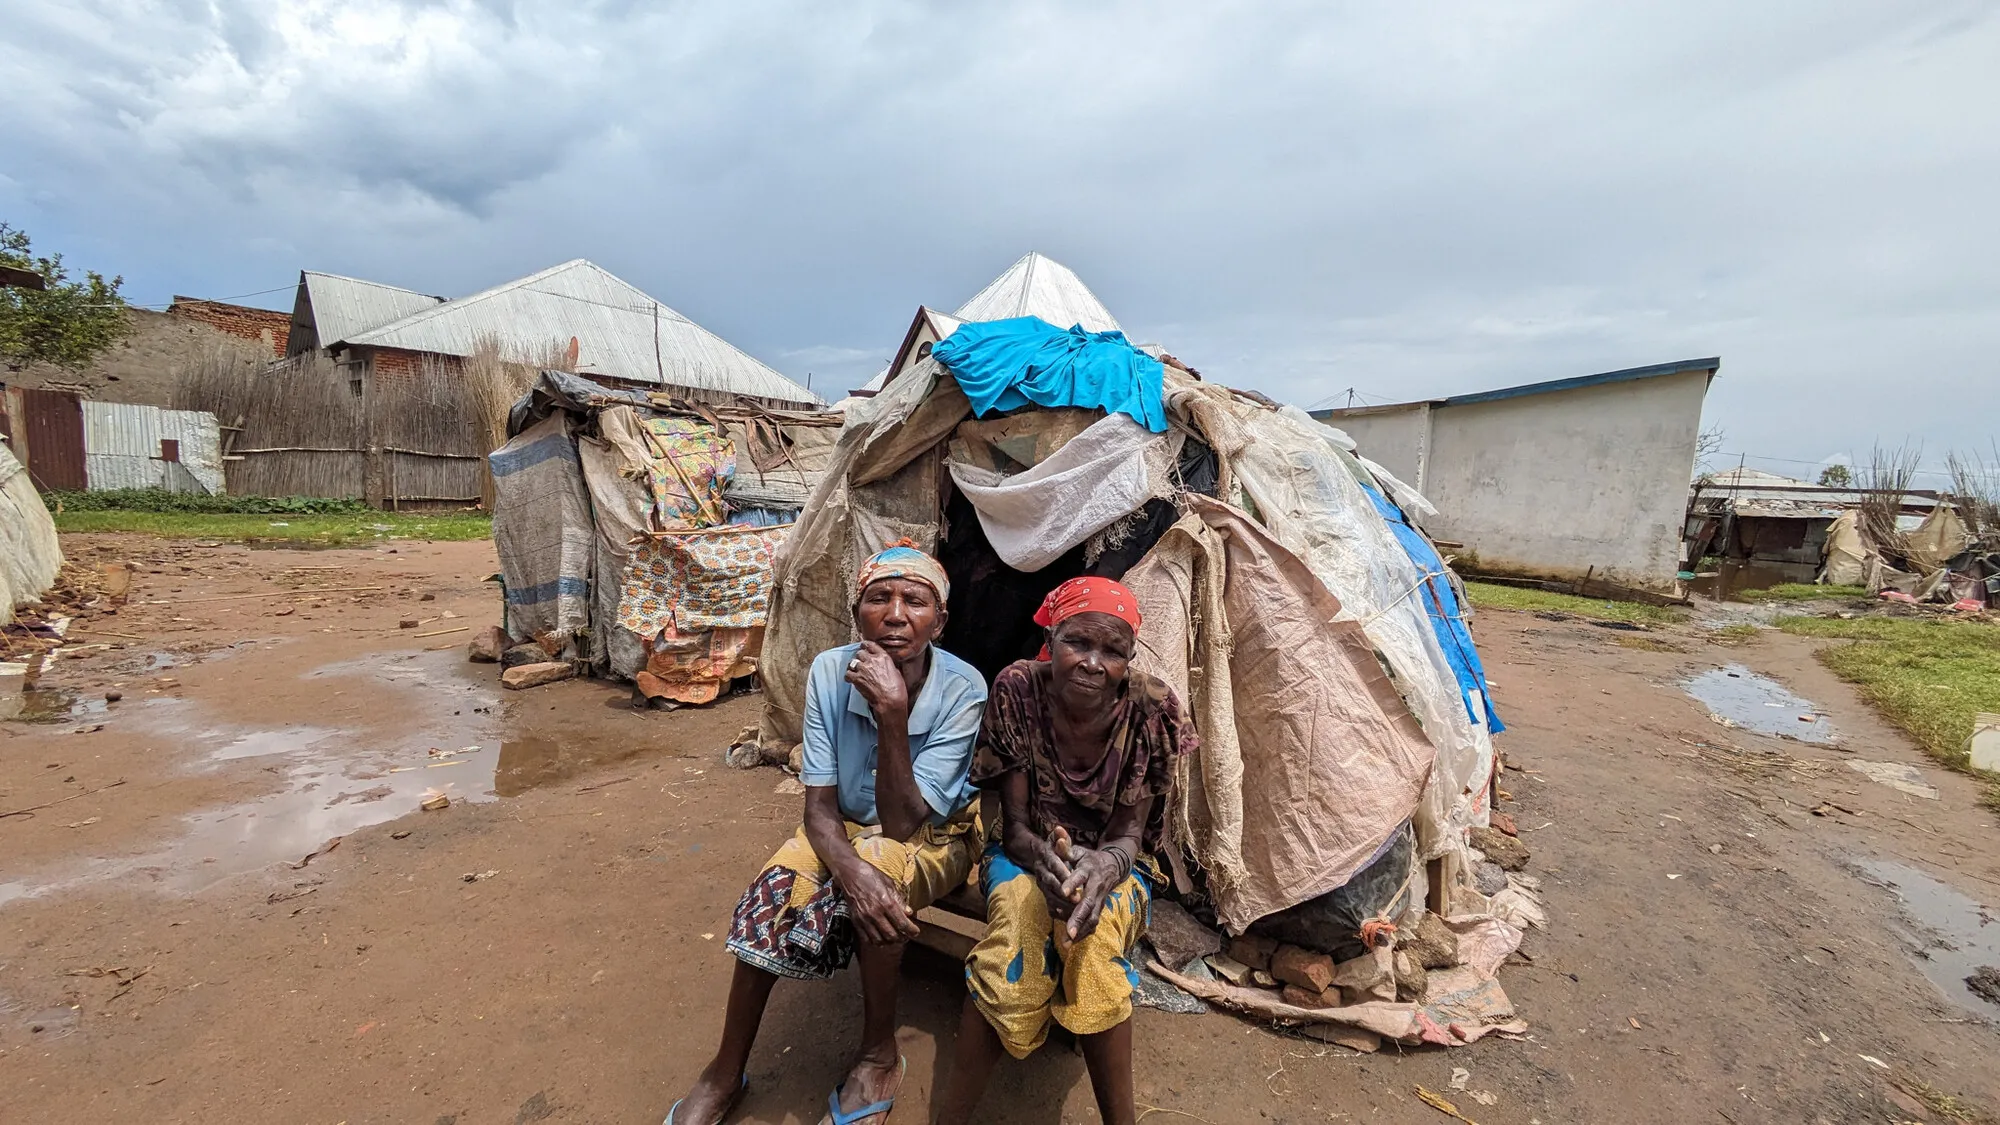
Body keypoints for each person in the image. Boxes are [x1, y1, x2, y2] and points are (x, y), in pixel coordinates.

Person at [666, 543, 986, 1125]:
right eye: (877, 599)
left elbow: (903, 824)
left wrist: (892, 714)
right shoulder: (828, 671)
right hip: (840, 829)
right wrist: (850, 870)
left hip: (934, 837)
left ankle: (878, 1054)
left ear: (939, 620)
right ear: (855, 610)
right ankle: (725, 1069)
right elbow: (818, 809)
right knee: (774, 888)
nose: (895, 614)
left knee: (882, 871)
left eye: (914, 601)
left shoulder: (964, 690)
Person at [931, 577, 1198, 1125]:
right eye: (1078, 642)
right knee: (1012, 948)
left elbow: (1129, 838)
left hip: (1117, 865)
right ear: (1051, 638)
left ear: (1130, 658)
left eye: (1113, 652)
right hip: (1024, 853)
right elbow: (1017, 826)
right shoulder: (1018, 689)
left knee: (1093, 946)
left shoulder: (1152, 709)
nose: (1093, 663)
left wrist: (1101, 867)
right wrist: (1045, 862)